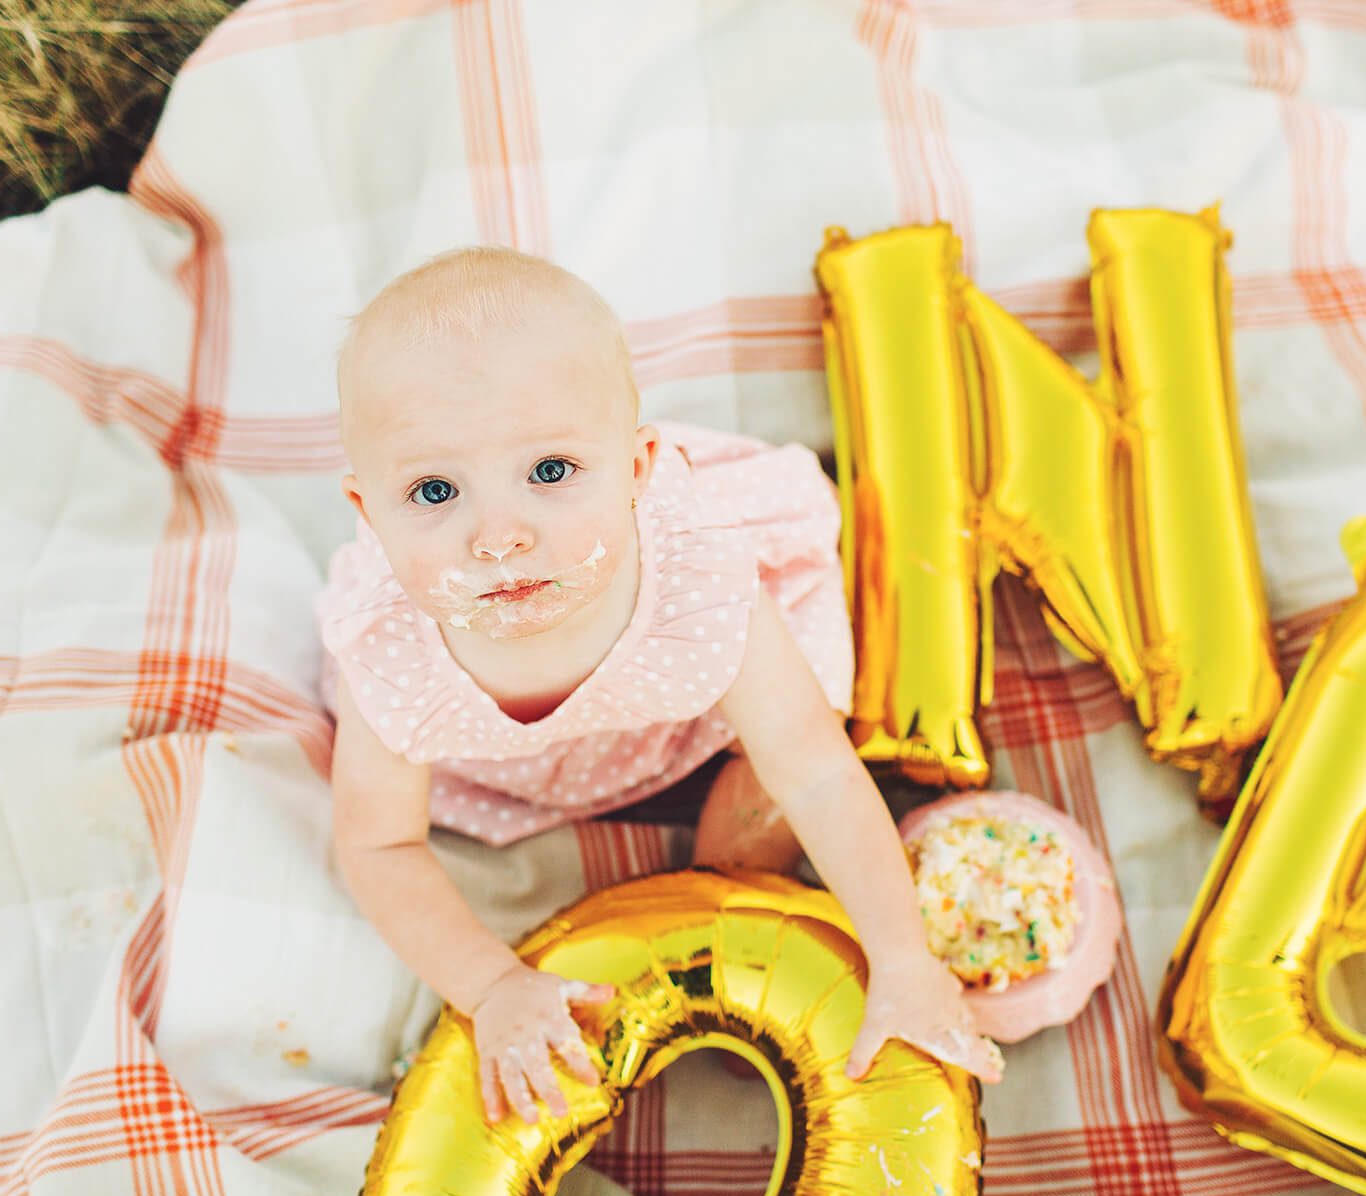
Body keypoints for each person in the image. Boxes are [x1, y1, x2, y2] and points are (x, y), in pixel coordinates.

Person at [317, 244, 1004, 1125]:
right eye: (435, 490)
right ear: (369, 513)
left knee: (774, 784)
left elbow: (817, 769)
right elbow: (378, 846)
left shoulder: (694, 580)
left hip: (682, 708)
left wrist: (904, 956)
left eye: (552, 473)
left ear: (638, 471)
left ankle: (727, 893)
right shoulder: (393, 651)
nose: (499, 535)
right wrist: (491, 986)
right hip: (507, 759)